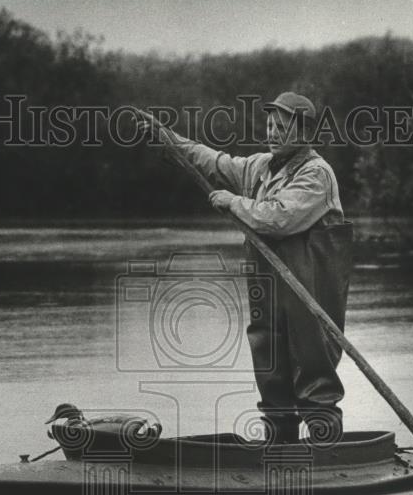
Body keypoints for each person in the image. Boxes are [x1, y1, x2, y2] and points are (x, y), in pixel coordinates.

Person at [136, 93, 354, 444]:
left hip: (309, 283)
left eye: (282, 127)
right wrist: (165, 136)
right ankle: (279, 438)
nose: (273, 132)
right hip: (268, 282)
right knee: (268, 354)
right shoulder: (259, 166)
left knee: (312, 356)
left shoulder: (317, 174)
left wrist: (232, 201)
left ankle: (325, 442)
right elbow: (212, 161)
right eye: (270, 125)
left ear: (303, 132)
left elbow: (279, 218)